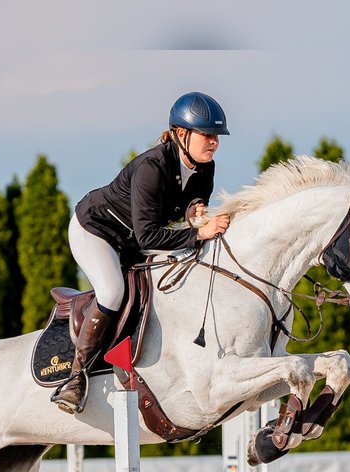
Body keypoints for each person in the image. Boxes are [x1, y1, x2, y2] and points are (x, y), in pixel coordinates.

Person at [51, 91, 232, 414]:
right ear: (181, 134)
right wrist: (198, 232)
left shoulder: (206, 168)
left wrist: (194, 213)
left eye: (216, 136)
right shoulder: (152, 166)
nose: (214, 142)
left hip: (131, 240)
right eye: (206, 135)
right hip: (96, 230)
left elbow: (189, 204)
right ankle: (75, 379)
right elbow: (149, 234)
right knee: (113, 291)